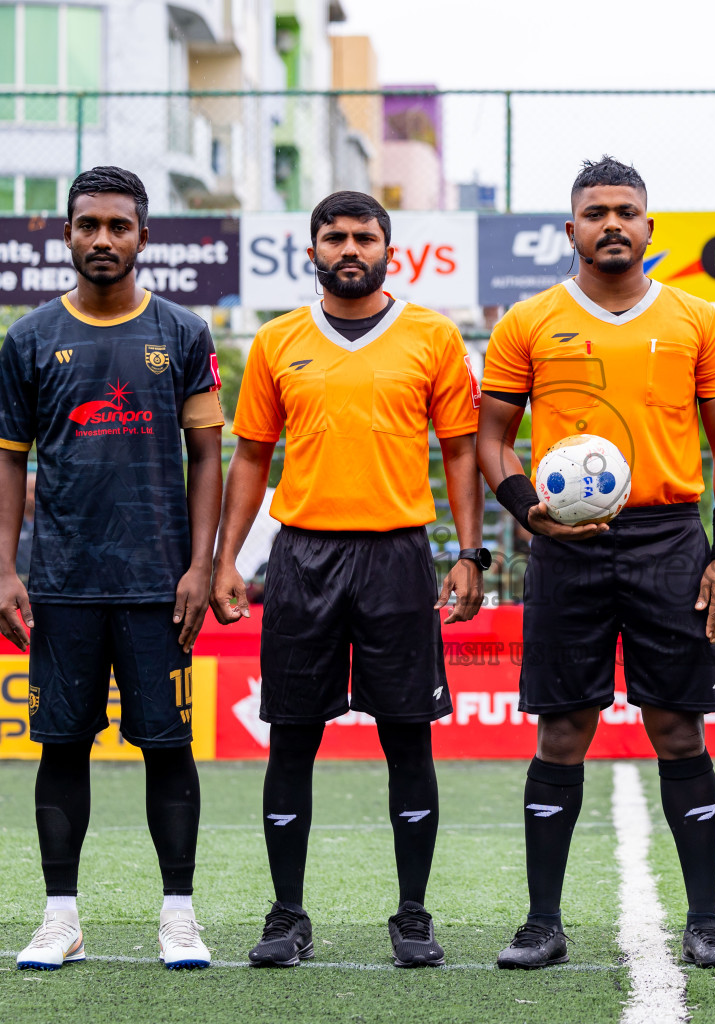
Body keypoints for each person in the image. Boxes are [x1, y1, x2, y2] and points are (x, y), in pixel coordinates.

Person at [478, 156, 715, 970]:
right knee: (563, 730)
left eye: (626, 211)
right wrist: (527, 507)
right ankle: (542, 922)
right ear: (571, 230)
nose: (612, 225)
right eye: (595, 212)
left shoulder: (698, 319)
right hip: (566, 544)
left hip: (670, 538)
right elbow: (491, 437)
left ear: (649, 228)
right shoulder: (527, 321)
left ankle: (705, 920)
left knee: (676, 724)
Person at [210, 190, 486, 970]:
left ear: (389, 250)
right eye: (335, 237)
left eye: (365, 236)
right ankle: (288, 915)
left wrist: (470, 552)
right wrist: (231, 558)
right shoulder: (275, 341)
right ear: (313, 252)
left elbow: (461, 451)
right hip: (303, 557)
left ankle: (413, 916)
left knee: (409, 740)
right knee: (291, 740)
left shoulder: (432, 336)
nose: (350, 248)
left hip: (399, 555)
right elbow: (252, 459)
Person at [0, 166, 224, 971]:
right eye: (88, 225)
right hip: (62, 585)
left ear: (143, 238)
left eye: (119, 226)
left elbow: (207, 456)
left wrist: (201, 564)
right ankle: (61, 919)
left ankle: (180, 917)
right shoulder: (29, 339)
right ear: (68, 236)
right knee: (62, 748)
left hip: (161, 586)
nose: (103, 239)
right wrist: (4, 571)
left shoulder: (186, 335)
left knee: (168, 747)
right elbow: (9, 464)